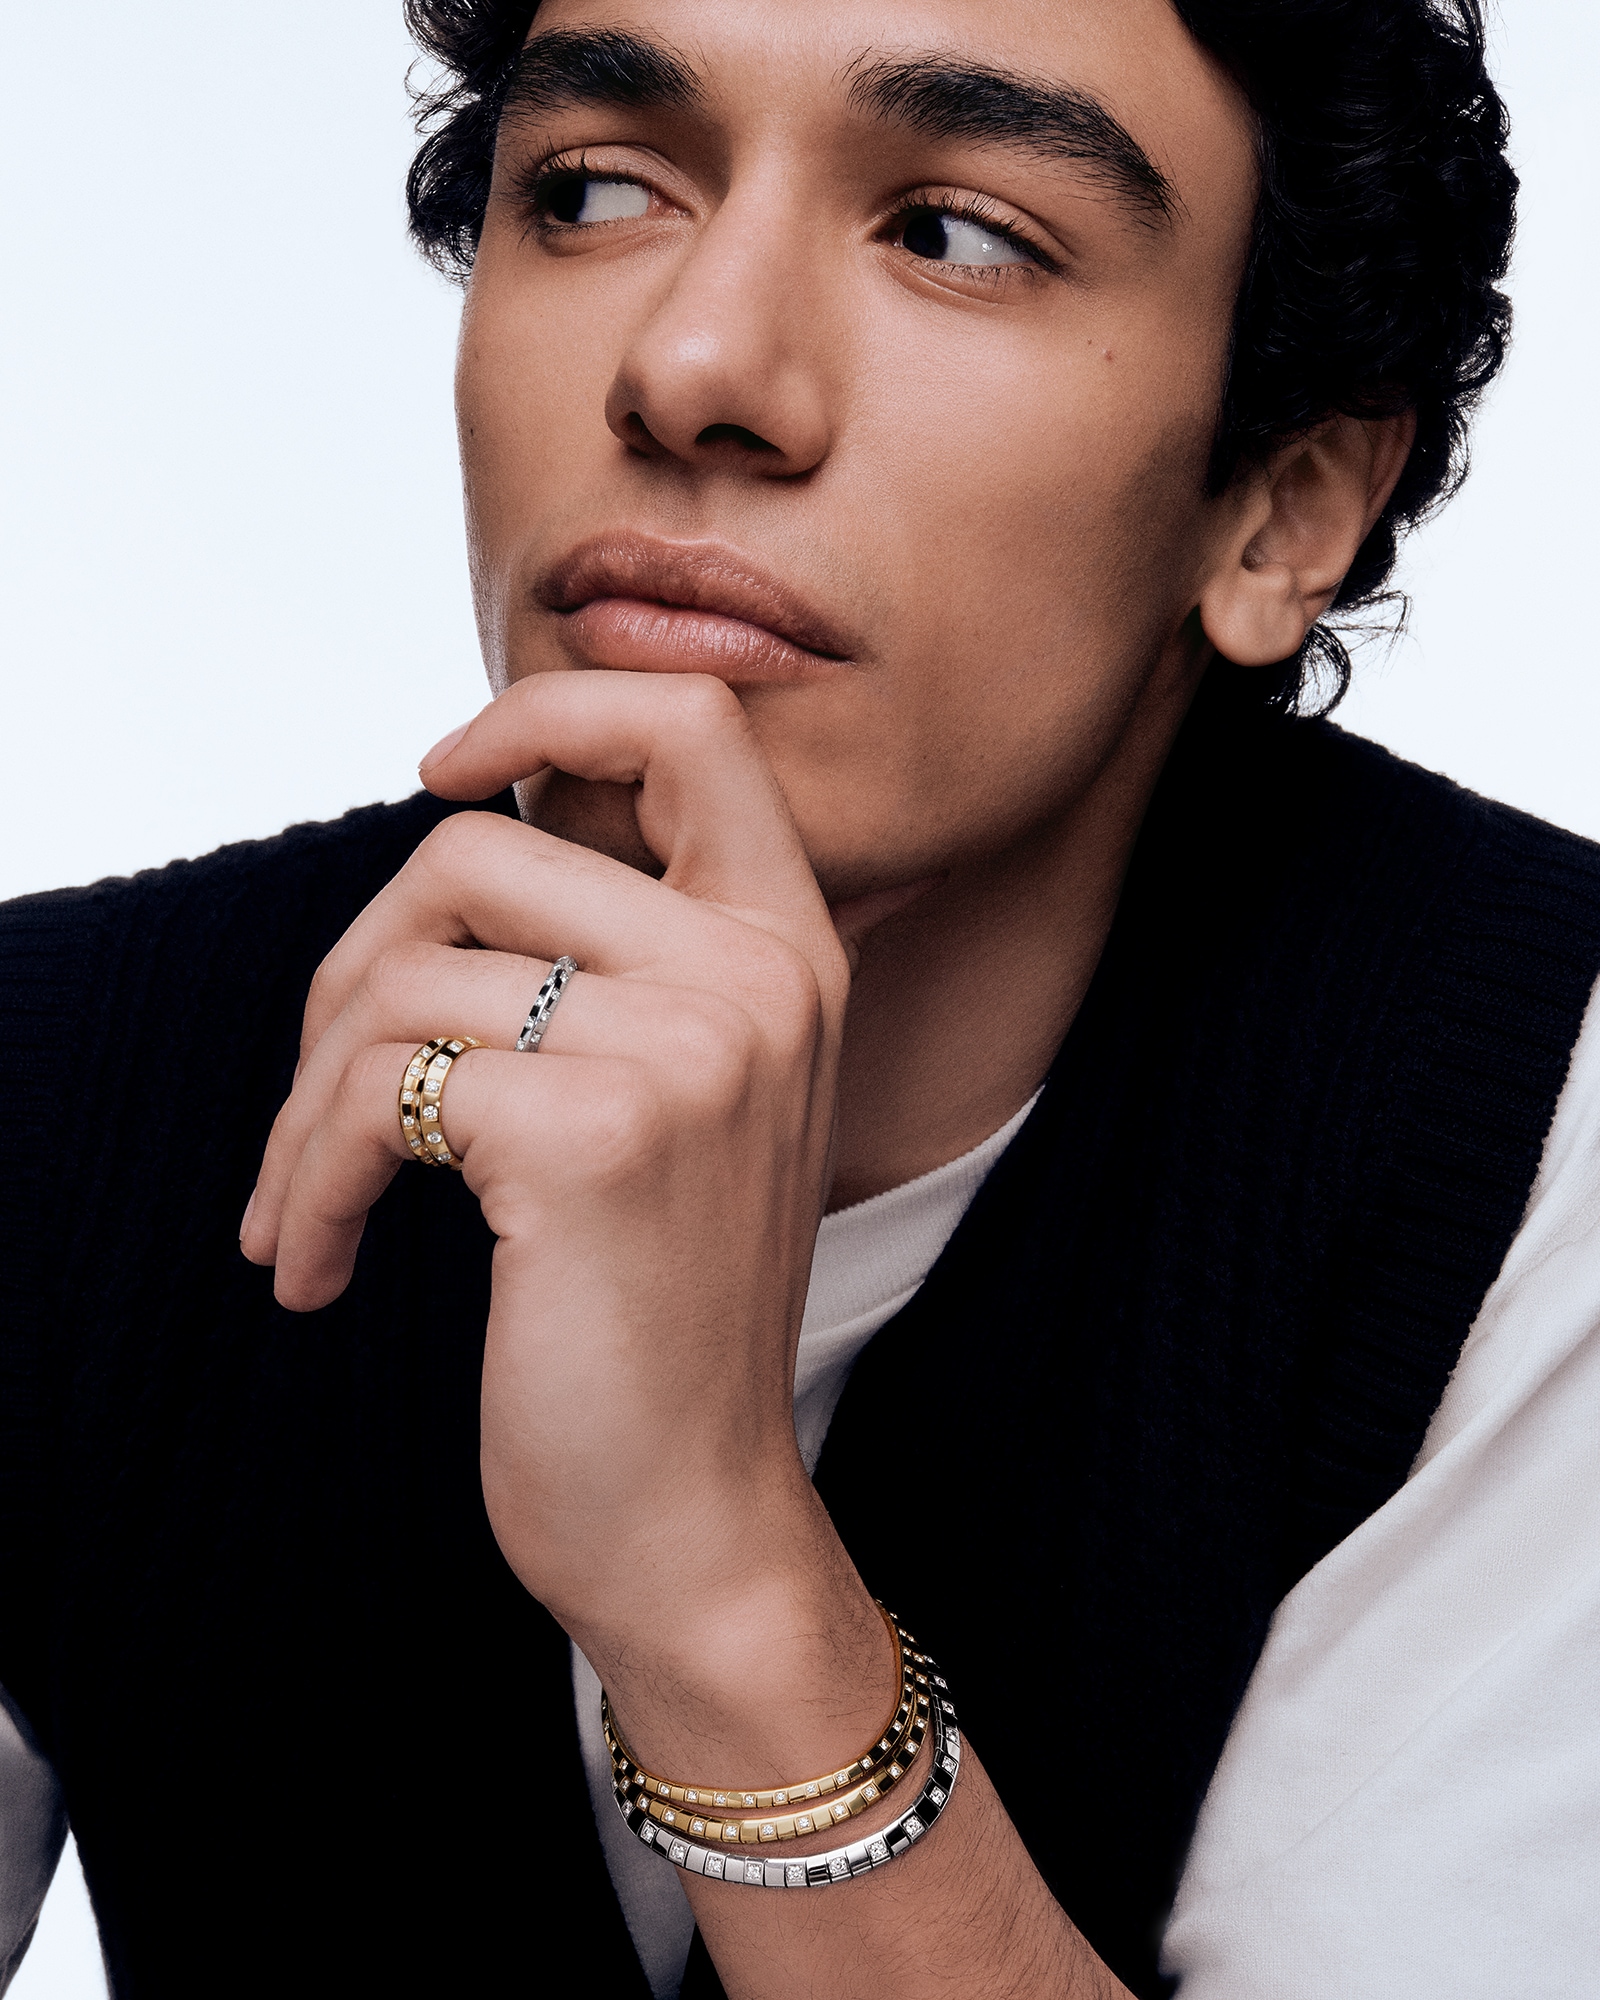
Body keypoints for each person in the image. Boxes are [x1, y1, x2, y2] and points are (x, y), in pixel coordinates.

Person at [3, 0, 1595, 1995]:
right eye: (595, 190)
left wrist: (718, 1589)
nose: (691, 369)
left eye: (954, 234)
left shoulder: (1533, 1129)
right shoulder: (60, 1079)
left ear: (1276, 504)